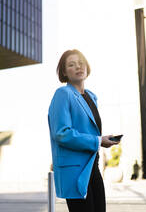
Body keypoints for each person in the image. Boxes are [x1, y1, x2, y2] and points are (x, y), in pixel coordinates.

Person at [48, 49, 119, 212]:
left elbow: (89, 132)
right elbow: (61, 133)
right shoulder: (63, 94)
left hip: (93, 168)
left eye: (81, 63)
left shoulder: (91, 97)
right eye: (71, 65)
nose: (78, 67)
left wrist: (102, 140)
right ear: (64, 72)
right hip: (75, 173)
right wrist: (98, 141)